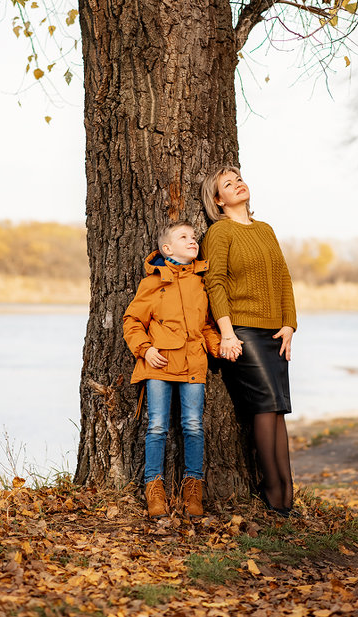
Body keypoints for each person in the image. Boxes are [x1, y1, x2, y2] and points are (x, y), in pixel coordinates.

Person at [200, 165, 297, 516]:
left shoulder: (265, 230)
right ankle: (272, 489)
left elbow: (283, 279)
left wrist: (289, 325)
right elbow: (216, 283)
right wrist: (227, 332)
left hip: (276, 332)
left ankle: (287, 491)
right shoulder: (220, 232)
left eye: (239, 179)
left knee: (279, 408)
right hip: (243, 331)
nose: (238, 184)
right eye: (229, 184)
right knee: (266, 406)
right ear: (217, 200)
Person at [123, 220, 220, 519]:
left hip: (193, 363)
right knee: (157, 427)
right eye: (184, 237)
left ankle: (193, 488)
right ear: (167, 249)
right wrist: (145, 349)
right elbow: (132, 321)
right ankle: (154, 488)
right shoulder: (152, 282)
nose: (193, 240)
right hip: (160, 364)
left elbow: (205, 325)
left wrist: (219, 346)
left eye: (193, 237)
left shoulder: (201, 282)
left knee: (193, 425)